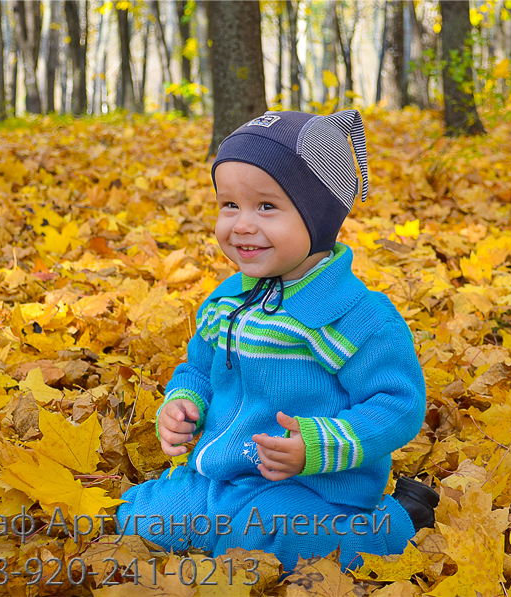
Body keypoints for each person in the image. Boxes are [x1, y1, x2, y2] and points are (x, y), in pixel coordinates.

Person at [115, 109, 438, 571]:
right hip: (222, 475)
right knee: (141, 520)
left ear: (318, 216)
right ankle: (217, 523)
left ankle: (396, 520)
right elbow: (199, 370)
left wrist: (317, 444)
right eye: (229, 205)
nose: (242, 224)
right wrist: (184, 402)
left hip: (313, 487)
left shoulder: (354, 316)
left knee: (263, 544)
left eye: (266, 207)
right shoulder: (227, 299)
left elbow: (398, 405)